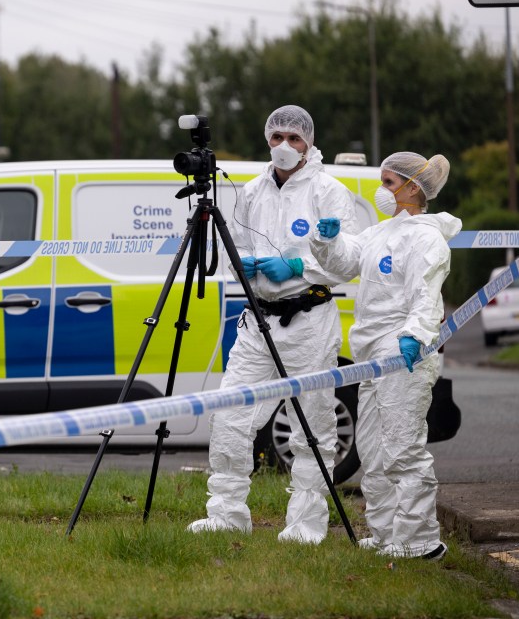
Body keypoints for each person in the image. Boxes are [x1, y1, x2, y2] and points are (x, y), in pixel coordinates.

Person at [186, 105, 359, 543]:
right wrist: (243, 264)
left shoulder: (329, 191)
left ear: (309, 142)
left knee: (311, 423)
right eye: (277, 136)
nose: (285, 146)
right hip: (258, 320)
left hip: (309, 319)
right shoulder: (251, 191)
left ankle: (305, 524)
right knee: (230, 413)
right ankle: (226, 513)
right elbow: (232, 249)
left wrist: (299, 265)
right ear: (267, 139)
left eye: (294, 139)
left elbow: (348, 263)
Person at [310, 152, 461, 560]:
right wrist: (327, 240)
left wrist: (414, 336)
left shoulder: (426, 237)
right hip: (373, 354)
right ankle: (385, 533)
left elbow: (425, 294)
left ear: (414, 188)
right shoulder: (380, 233)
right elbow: (343, 262)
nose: (381, 190)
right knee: (373, 448)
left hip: (403, 353)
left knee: (402, 447)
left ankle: (420, 541)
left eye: (389, 183)